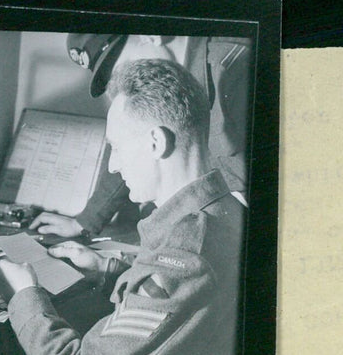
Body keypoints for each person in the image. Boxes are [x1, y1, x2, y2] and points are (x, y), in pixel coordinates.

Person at [0, 59, 245, 355]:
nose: (113, 164)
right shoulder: (225, 211)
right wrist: (107, 269)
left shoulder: (188, 252)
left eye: (117, 146)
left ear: (156, 142)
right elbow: (179, 300)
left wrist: (24, 296)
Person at [29, 33, 251, 238]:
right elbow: (130, 145)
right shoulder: (163, 88)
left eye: (126, 67)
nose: (128, 80)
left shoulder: (235, 67)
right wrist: (85, 221)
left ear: (151, 35)